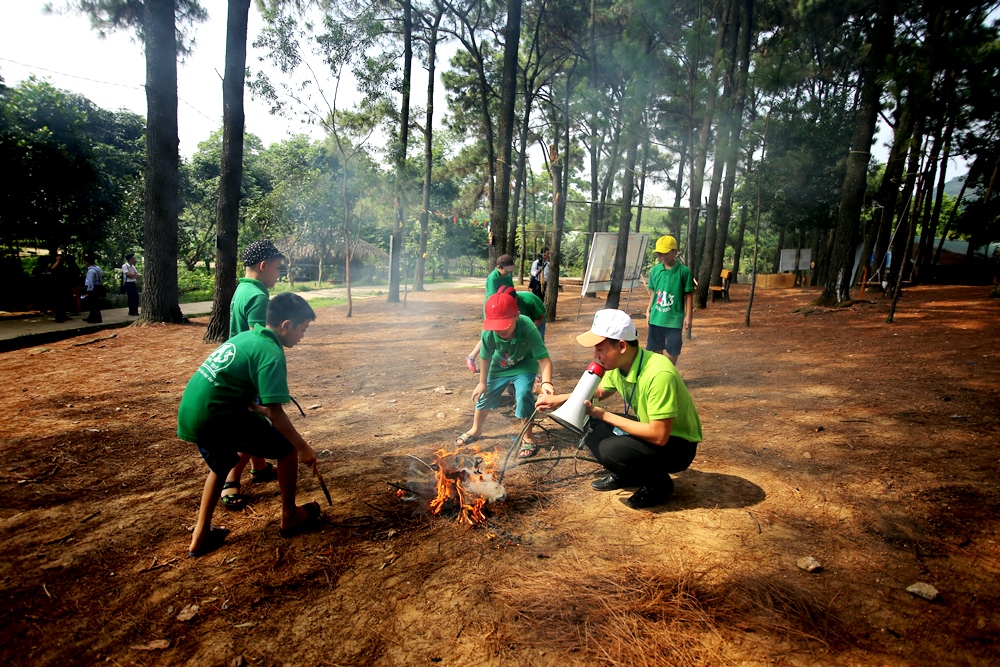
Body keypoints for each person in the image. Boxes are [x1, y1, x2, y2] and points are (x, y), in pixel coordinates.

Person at [179, 292, 320, 557]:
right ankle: (290, 516)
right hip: (217, 415)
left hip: (193, 410)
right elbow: (278, 414)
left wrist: (255, 408)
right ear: (286, 326)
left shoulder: (247, 336)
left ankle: (200, 536)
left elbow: (235, 384)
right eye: (303, 329)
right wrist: (303, 447)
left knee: (221, 465)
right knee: (286, 449)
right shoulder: (271, 354)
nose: (303, 336)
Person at [535, 309, 702, 509]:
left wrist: (603, 414)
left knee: (610, 449)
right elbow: (598, 392)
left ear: (621, 346)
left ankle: (659, 485)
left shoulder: (659, 373)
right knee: (589, 424)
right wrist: (558, 399)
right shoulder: (621, 366)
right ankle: (628, 474)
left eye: (600, 349)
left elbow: (659, 436)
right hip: (652, 431)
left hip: (677, 445)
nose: (595, 355)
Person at [219, 240, 286, 509]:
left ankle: (258, 468)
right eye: (278, 268)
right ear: (263, 265)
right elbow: (259, 341)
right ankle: (230, 479)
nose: (278, 274)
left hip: (238, 365)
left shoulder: (242, 288)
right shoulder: (258, 297)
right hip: (249, 371)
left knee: (254, 424)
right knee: (257, 428)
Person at [457, 291, 555, 459]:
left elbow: (544, 359)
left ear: (517, 316)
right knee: (484, 395)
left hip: (524, 364)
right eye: (495, 325)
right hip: (499, 366)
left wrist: (547, 382)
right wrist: (482, 382)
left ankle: (528, 436)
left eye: (504, 324)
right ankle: (476, 429)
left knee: (524, 394)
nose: (500, 330)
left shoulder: (527, 326)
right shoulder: (488, 332)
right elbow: (485, 357)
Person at [645, 235, 694, 366]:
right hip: (656, 318)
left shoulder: (684, 272)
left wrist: (688, 316)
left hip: (674, 319)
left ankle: (669, 371)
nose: (662, 257)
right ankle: (659, 373)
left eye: (665, 253)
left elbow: (689, 294)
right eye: (659, 254)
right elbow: (654, 292)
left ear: (675, 251)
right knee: (655, 349)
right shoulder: (655, 270)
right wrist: (648, 310)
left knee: (673, 349)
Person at [465, 254, 517, 373]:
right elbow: (493, 297)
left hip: (504, 307)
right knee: (491, 333)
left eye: (510, 270)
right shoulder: (493, 278)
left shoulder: (507, 275)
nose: (508, 273)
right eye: (506, 270)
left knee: (502, 332)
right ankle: (472, 357)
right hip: (493, 308)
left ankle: (502, 358)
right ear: (499, 267)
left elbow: (511, 290)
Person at [82, 254, 105, 324]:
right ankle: (91, 317)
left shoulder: (91, 271)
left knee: (93, 304)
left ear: (88, 262)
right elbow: (103, 274)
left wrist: (89, 291)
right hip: (97, 287)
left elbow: (90, 282)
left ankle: (95, 318)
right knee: (94, 303)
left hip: (93, 288)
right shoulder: (97, 268)